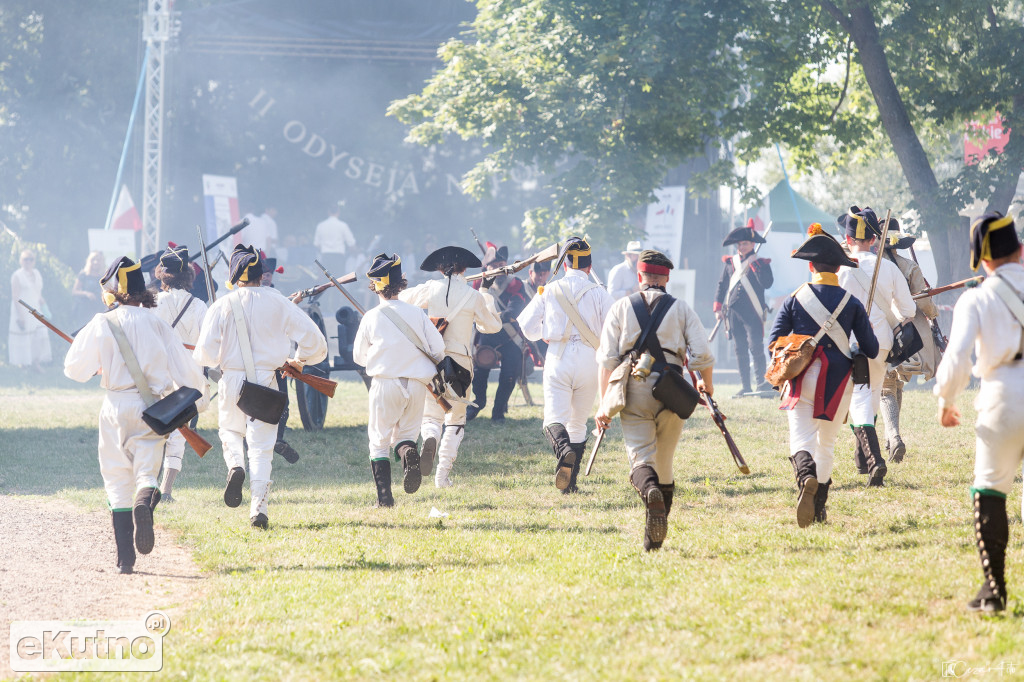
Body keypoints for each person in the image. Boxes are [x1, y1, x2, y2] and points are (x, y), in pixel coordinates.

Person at [64, 256, 208, 574]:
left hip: (114, 406)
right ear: (144, 290)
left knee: (116, 478)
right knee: (146, 472)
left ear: (113, 291)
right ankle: (146, 499)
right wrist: (196, 404)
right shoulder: (156, 323)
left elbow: (74, 369)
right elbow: (190, 376)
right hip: (152, 409)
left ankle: (125, 558)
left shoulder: (102, 322)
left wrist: (99, 366)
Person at [193, 245, 327, 529]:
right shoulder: (280, 302)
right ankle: (259, 510)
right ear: (259, 274)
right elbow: (316, 343)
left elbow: (204, 355)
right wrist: (298, 361)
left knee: (230, 431)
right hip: (268, 382)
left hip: (230, 381)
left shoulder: (222, 305)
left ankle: (235, 467)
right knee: (263, 448)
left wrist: (223, 357)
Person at [595, 250, 714, 551]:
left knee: (640, 458)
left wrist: (603, 405)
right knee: (665, 464)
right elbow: (702, 355)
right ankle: (654, 540)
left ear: (639, 277)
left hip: (632, 390)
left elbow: (607, 361)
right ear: (667, 278)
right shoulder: (682, 309)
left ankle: (649, 494)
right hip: (673, 390)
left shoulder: (621, 307)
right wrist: (706, 387)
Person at [935, 211, 1024, 614]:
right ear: (1020, 250)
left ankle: (994, 590)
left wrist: (946, 399)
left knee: (990, 490)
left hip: (1002, 396)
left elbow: (956, 358)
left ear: (983, 261)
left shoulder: (976, 296)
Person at [768, 225, 879, 527]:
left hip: (801, 376)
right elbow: (871, 348)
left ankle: (805, 477)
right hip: (838, 380)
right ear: (837, 268)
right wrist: (854, 338)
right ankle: (819, 508)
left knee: (801, 437)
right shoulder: (851, 302)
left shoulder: (793, 298)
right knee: (826, 444)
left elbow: (775, 339)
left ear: (811, 266)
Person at [399, 246, 502, 487]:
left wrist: (402, 285)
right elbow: (492, 326)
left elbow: (401, 300)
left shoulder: (431, 288)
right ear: (464, 268)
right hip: (461, 363)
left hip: (433, 360)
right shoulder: (473, 296)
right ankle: (442, 477)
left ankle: (431, 438)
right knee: (455, 419)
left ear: (440, 268)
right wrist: (486, 290)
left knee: (431, 415)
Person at [519, 236, 613, 493]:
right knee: (578, 424)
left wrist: (544, 333)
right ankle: (569, 485)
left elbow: (526, 325)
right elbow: (614, 331)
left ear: (564, 266)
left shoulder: (550, 289)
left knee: (553, 419)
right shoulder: (600, 292)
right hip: (590, 361)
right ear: (589, 267)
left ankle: (564, 451)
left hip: (558, 356)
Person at [353, 253, 446, 506]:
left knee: (379, 442)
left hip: (384, 384)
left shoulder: (371, 317)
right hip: (416, 384)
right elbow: (438, 350)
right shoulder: (417, 313)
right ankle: (409, 454)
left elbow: (359, 357)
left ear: (376, 286)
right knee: (406, 437)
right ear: (400, 283)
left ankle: (385, 500)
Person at [836, 206, 915, 485]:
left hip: (850, 344)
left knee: (858, 401)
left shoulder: (841, 270)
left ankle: (872, 460)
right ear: (873, 240)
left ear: (848, 240)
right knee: (867, 400)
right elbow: (908, 309)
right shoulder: (889, 268)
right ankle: (862, 458)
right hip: (882, 344)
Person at [877, 225, 941, 462]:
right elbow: (923, 302)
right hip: (907, 335)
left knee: (887, 386)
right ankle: (889, 437)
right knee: (896, 384)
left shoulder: (872, 267)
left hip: (881, 330)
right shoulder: (908, 266)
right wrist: (934, 313)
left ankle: (892, 436)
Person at [153, 245, 210, 501]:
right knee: (178, 434)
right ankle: (166, 490)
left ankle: (147, 486)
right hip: (188, 376)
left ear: (163, 275)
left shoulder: (152, 302)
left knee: (153, 430)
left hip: (157, 372)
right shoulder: (200, 307)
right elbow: (208, 348)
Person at [467, 244, 530, 423]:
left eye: (501, 265)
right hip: (486, 336)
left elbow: (513, 311)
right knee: (479, 374)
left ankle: (498, 411)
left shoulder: (516, 284)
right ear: (486, 268)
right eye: (494, 266)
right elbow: (473, 309)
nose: (499, 270)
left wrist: (489, 316)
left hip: (510, 338)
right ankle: (479, 403)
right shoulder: (478, 284)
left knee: (509, 375)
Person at [714, 220, 774, 398]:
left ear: (753, 244)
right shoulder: (730, 263)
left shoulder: (761, 263)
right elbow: (722, 286)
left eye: (745, 244)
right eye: (740, 244)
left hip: (753, 311)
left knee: (756, 347)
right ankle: (746, 386)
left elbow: (767, 283)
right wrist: (718, 308)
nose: (742, 247)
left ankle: (762, 384)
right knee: (739, 349)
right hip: (733, 312)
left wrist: (755, 265)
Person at [258, 255, 301, 465]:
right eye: (263, 273)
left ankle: (278, 439)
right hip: (262, 360)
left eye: (268, 273)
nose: (265, 276)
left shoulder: (277, 297)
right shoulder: (274, 299)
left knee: (283, 403)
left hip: (277, 360)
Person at [8, 249, 52, 370]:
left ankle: (36, 362)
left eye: (30, 259)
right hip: (22, 310)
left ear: (34, 261)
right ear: (20, 261)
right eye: (25, 259)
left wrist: (44, 305)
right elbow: (15, 296)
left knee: (40, 335)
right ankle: (24, 365)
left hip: (36, 309)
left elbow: (37, 292)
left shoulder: (37, 273)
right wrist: (21, 316)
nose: (28, 262)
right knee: (25, 338)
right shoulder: (17, 275)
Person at [72, 251, 108, 326]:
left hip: (99, 309)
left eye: (98, 260)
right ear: (90, 261)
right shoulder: (84, 274)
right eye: (93, 260)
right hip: (85, 310)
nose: (96, 262)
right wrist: (86, 293)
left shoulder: (104, 275)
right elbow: (74, 291)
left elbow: (108, 292)